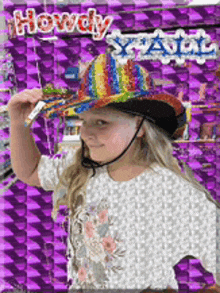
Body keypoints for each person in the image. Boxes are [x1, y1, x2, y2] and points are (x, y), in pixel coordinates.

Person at [8, 53, 220, 292]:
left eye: (101, 123)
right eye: (83, 121)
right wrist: (18, 124)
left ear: (140, 127)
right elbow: (32, 171)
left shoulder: (169, 192)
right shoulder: (83, 169)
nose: (85, 134)